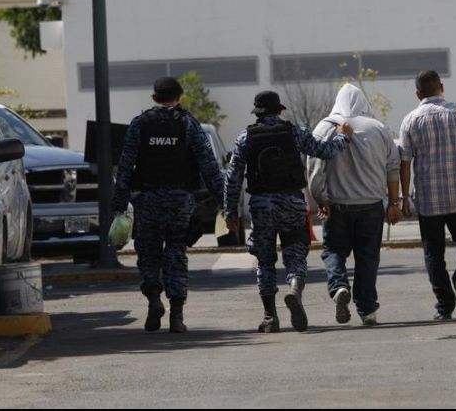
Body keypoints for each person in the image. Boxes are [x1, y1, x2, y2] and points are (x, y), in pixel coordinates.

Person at [224, 90, 353, 333]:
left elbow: (233, 178)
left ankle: (270, 317)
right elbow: (322, 151)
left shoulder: (245, 137)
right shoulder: (293, 131)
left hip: (262, 206)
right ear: (279, 110)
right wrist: (343, 138)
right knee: (295, 254)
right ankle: (294, 288)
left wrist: (230, 211)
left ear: (258, 112)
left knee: (264, 261)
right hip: (292, 203)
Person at [113, 77, 225, 333]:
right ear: (180, 97)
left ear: (154, 98)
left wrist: (119, 204)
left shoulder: (139, 124)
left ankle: (153, 299)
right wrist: (223, 200)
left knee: (149, 253)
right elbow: (208, 164)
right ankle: (176, 315)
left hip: (147, 200)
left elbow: (125, 167)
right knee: (176, 253)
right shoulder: (188, 123)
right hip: (179, 201)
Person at [307, 84, 402, 327]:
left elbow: (315, 170)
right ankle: (367, 310)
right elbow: (393, 167)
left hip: (336, 205)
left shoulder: (324, 127)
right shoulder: (378, 128)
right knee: (368, 257)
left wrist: (321, 198)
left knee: (334, 251)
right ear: (364, 103)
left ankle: (339, 286)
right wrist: (394, 202)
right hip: (371, 205)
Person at [399, 70, 456, 321]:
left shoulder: (410, 120)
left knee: (433, 252)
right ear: (441, 87)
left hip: (428, 200)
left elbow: (405, 162)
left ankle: (444, 304)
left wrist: (403, 198)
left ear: (418, 93)